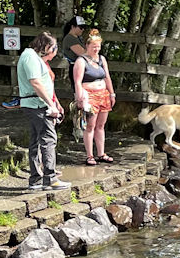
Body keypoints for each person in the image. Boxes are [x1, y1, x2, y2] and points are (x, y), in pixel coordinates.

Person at [16, 32, 66, 190]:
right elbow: (36, 83)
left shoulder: (32, 57)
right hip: (37, 105)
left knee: (36, 141)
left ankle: (36, 179)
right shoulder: (31, 57)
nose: (54, 52)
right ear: (47, 46)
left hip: (35, 103)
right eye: (53, 48)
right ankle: (50, 178)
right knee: (48, 139)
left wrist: (55, 102)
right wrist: (51, 105)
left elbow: (44, 83)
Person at [72, 29, 117, 165]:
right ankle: (89, 155)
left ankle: (101, 153)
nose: (96, 49)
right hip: (89, 95)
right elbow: (77, 81)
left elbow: (107, 77)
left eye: (98, 46)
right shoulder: (81, 61)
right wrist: (80, 98)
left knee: (101, 125)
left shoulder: (102, 59)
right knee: (90, 125)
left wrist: (112, 93)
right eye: (93, 47)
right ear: (87, 46)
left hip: (103, 94)